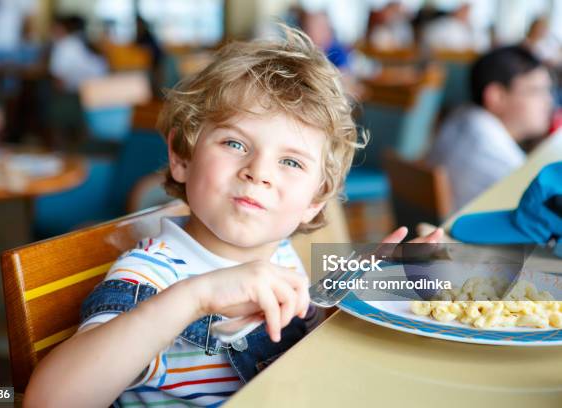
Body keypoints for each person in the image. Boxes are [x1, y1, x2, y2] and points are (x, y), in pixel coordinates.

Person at [24, 26, 443, 407]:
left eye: (291, 163)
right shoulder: (151, 276)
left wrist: (360, 298)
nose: (258, 172)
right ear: (182, 156)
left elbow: (301, 352)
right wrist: (195, 298)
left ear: (316, 200)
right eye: (235, 143)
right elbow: (48, 401)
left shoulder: (280, 254)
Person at [427, 46, 554, 211]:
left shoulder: (461, 116)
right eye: (537, 91)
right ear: (496, 96)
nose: (549, 101)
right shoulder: (503, 164)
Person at [48, 15, 108, 92]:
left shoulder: (63, 45)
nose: (51, 33)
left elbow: (59, 79)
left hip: (80, 91)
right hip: (99, 85)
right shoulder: (78, 41)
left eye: (53, 29)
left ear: (62, 29)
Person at [421, 3, 489, 52]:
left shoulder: (474, 28)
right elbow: (430, 43)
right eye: (463, 11)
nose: (466, 14)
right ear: (456, 11)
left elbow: (482, 46)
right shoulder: (442, 25)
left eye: (468, 12)